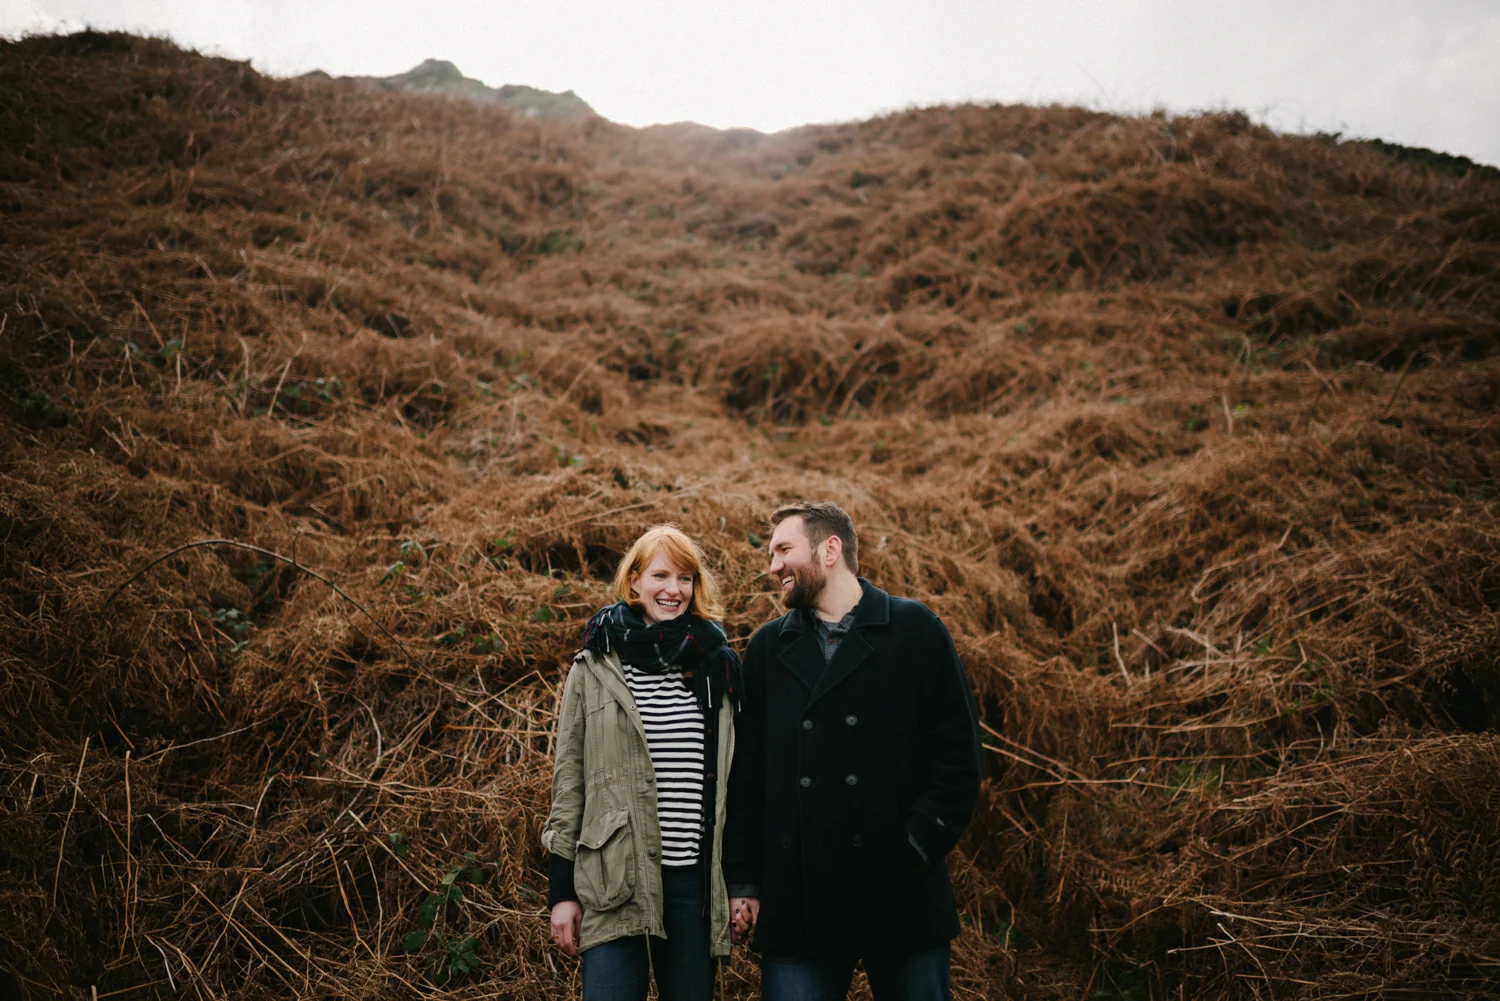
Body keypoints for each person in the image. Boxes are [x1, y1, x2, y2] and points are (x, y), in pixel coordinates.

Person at [724, 502, 981, 1001]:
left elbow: (958, 758)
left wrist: (914, 845)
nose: (771, 565)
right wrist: (746, 880)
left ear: (830, 549)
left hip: (900, 889)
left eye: (783, 549)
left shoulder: (915, 631)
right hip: (800, 896)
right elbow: (748, 777)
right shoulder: (766, 650)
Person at [542, 525, 743, 1001]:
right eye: (660, 575)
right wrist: (562, 893)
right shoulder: (594, 665)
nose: (673, 590)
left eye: (685, 578)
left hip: (692, 886)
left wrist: (740, 881)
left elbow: (734, 783)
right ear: (633, 581)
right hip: (614, 881)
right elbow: (569, 785)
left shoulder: (715, 664)